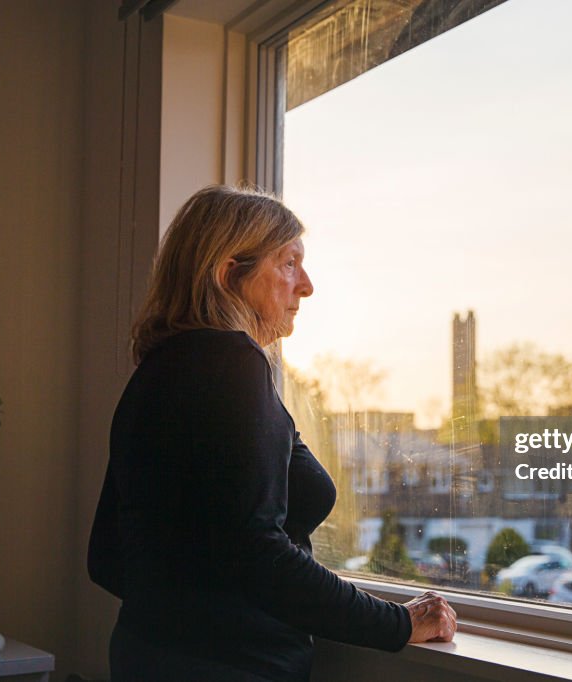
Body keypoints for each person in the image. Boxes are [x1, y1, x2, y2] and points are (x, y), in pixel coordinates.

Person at [87, 185, 457, 681]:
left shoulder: (155, 373)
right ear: (227, 275)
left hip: (143, 657)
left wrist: (180, 615)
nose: (305, 285)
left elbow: (106, 557)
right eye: (288, 263)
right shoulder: (230, 363)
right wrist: (395, 622)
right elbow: (257, 550)